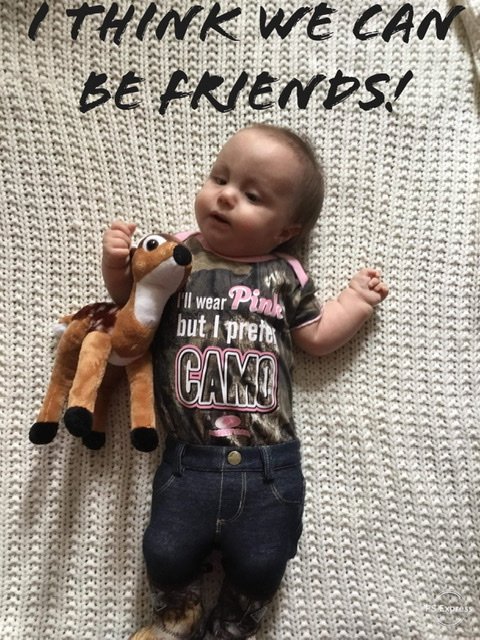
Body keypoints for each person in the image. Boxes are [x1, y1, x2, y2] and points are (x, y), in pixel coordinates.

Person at [102, 124, 389, 640]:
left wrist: (355, 301)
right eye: (220, 178)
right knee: (163, 551)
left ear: (285, 230)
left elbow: (317, 336)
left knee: (263, 562)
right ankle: (177, 612)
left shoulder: (286, 275)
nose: (226, 196)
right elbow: (134, 306)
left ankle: (233, 623)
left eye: (253, 196)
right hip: (188, 459)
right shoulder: (178, 256)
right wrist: (116, 264)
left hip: (268, 466)